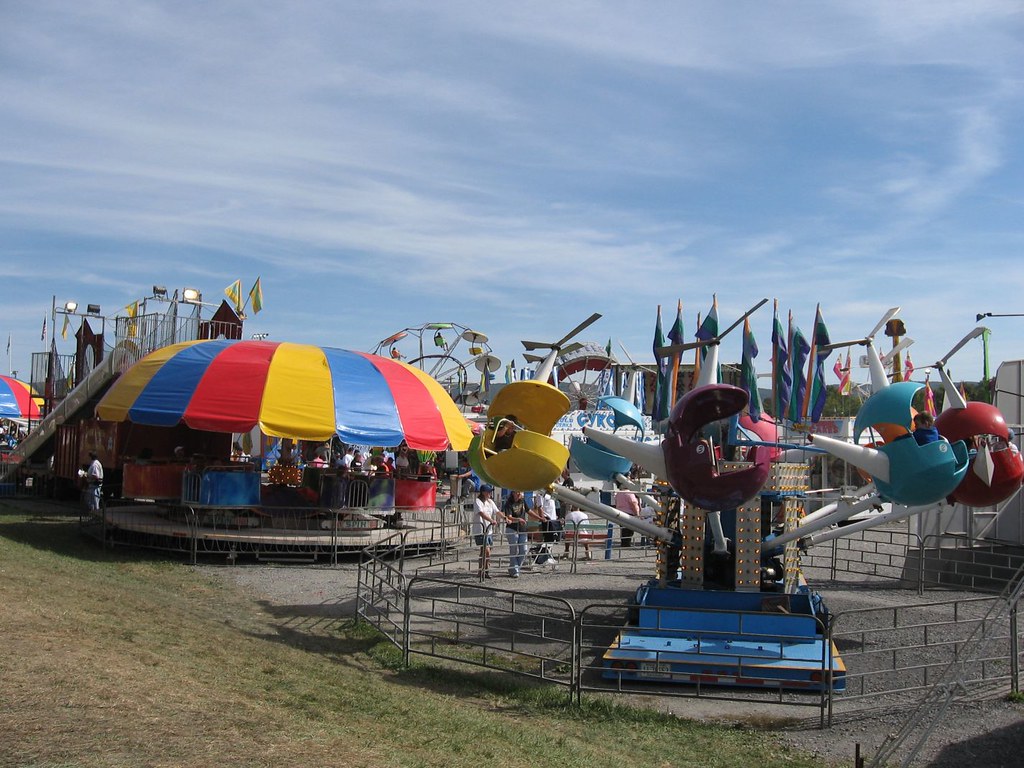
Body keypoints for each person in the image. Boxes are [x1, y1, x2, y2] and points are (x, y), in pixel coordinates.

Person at [473, 484, 499, 579]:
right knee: (486, 551)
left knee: (484, 552)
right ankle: (485, 570)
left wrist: (504, 517)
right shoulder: (478, 501)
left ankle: (483, 570)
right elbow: (481, 513)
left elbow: (497, 511)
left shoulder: (490, 502)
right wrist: (491, 520)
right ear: (483, 492)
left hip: (489, 531)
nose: (490, 493)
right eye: (488, 492)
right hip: (481, 530)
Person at [502, 489, 530, 578]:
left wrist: (540, 518)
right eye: (517, 492)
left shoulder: (522, 501)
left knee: (524, 550)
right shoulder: (509, 503)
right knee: (513, 550)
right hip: (512, 528)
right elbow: (509, 517)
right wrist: (518, 520)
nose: (519, 494)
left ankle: (514, 567)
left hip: (522, 529)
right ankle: (515, 570)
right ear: (513, 493)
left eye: (520, 492)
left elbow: (529, 511)